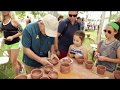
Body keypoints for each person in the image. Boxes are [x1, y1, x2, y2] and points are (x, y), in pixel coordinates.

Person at [0, 11, 23, 76]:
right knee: (12, 59)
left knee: (13, 61)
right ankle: (21, 65)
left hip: (15, 43)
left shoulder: (14, 21)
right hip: (7, 44)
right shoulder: (2, 22)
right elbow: (2, 30)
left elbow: (21, 31)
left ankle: (17, 76)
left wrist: (12, 37)